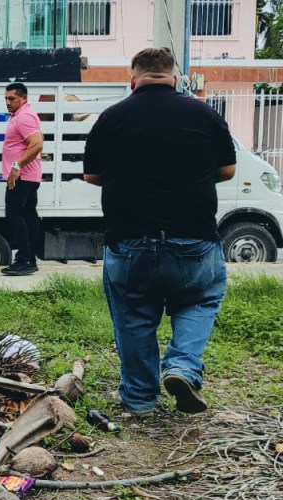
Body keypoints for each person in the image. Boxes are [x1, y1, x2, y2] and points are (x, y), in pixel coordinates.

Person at [83, 48, 235, 415]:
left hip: (129, 240)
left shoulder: (112, 117)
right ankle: (182, 366)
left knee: (134, 316)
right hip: (194, 239)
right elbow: (228, 169)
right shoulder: (204, 114)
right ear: (175, 77)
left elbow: (92, 176)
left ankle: (139, 399)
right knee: (199, 300)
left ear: (132, 79)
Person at [1, 82, 44, 276]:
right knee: (27, 217)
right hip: (26, 176)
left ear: (24, 98)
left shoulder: (24, 116)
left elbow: (36, 145)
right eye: (6, 99)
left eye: (12, 99)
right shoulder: (19, 116)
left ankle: (24, 260)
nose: (8, 102)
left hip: (22, 176)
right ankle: (29, 259)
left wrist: (16, 167)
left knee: (15, 216)